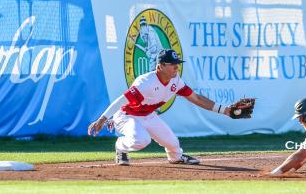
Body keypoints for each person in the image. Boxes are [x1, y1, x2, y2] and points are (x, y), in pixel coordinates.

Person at [87, 49, 252, 166]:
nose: (176, 67)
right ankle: (120, 147)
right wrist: (103, 119)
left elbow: (196, 98)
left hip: (148, 115)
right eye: (172, 64)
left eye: (177, 63)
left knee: (173, 144)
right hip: (127, 115)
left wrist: (225, 110)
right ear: (160, 66)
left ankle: (176, 158)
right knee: (141, 140)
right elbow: (121, 100)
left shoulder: (175, 80)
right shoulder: (147, 82)